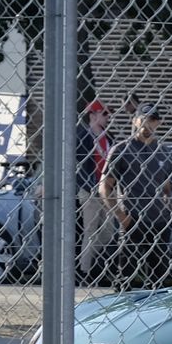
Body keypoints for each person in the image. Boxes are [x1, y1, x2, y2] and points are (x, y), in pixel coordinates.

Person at [101, 104, 172, 289]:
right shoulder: (122, 150)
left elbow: (167, 187)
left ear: (158, 123)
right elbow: (105, 187)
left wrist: (168, 210)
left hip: (159, 223)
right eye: (143, 119)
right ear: (135, 121)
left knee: (159, 281)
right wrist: (122, 217)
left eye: (152, 119)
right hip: (132, 220)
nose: (147, 124)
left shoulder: (163, 152)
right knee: (125, 278)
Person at [75, 100, 115, 282]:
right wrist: (90, 187)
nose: (108, 117)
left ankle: (91, 261)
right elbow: (81, 166)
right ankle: (84, 270)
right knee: (90, 229)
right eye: (104, 113)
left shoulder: (109, 137)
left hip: (107, 189)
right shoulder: (83, 136)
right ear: (92, 115)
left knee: (108, 231)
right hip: (89, 190)